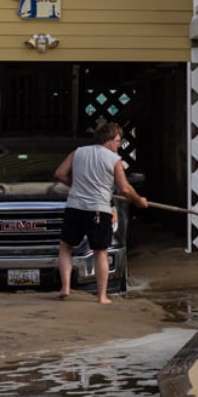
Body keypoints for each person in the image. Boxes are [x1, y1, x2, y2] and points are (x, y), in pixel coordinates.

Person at [53, 121, 148, 304]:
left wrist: (77, 186)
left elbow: (59, 174)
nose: (118, 145)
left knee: (65, 247)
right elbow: (125, 189)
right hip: (98, 209)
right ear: (108, 140)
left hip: (75, 207)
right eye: (118, 141)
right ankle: (102, 296)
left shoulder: (78, 152)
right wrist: (139, 200)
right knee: (100, 252)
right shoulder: (114, 160)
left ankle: (65, 288)